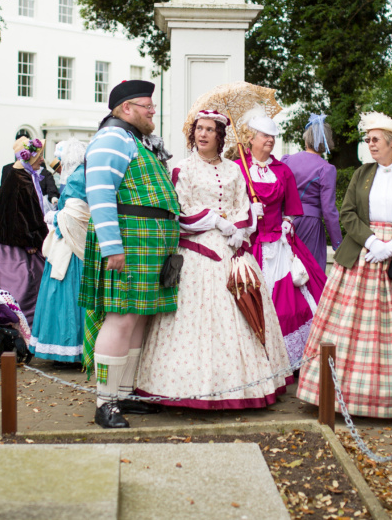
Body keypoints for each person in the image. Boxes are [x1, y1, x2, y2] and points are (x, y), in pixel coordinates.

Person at [135, 110, 292, 408]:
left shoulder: (234, 169)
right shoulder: (183, 169)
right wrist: (216, 221)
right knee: (195, 319)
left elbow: (242, 204)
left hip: (232, 250)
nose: (203, 134)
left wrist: (239, 227)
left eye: (209, 130)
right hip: (198, 249)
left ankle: (242, 385)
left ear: (220, 136)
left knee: (240, 314)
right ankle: (183, 385)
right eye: (199, 129)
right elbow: (180, 209)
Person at [297, 112, 392, 418]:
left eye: (376, 139)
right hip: (362, 255)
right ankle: (341, 393)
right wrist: (371, 242)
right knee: (349, 328)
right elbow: (347, 213)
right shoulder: (361, 174)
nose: (371, 144)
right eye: (368, 140)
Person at [78, 80, 180, 429]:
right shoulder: (112, 138)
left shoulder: (133, 140)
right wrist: (112, 247)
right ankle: (105, 403)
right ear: (126, 108)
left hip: (147, 243)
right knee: (121, 318)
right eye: (146, 106)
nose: (153, 111)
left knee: (137, 318)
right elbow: (100, 192)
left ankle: (124, 394)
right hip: (128, 242)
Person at [230, 107, 326, 367]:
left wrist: (286, 222)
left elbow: (292, 208)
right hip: (250, 244)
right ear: (251, 138)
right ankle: (256, 361)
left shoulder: (283, 170)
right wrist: (248, 212)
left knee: (290, 303)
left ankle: (288, 359)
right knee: (251, 300)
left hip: (280, 242)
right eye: (265, 135)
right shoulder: (237, 169)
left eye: (273, 136)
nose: (270, 140)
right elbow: (228, 206)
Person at [0, 136, 49, 324]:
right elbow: (23, 214)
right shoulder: (22, 180)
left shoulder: (20, 175)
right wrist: (32, 240)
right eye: (39, 156)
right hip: (16, 244)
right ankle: (19, 319)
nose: (42, 159)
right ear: (30, 158)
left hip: (6, 240)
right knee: (24, 283)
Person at [30, 140, 90, 364]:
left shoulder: (76, 178)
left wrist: (53, 217)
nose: (59, 164)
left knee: (65, 294)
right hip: (76, 242)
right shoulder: (85, 174)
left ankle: (69, 349)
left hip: (71, 247)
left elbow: (74, 215)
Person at [280, 114, 343, 272]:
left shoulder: (287, 160)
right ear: (326, 141)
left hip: (285, 220)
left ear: (306, 138)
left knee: (286, 271)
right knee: (309, 274)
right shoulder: (326, 169)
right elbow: (328, 210)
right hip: (310, 225)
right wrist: (338, 243)